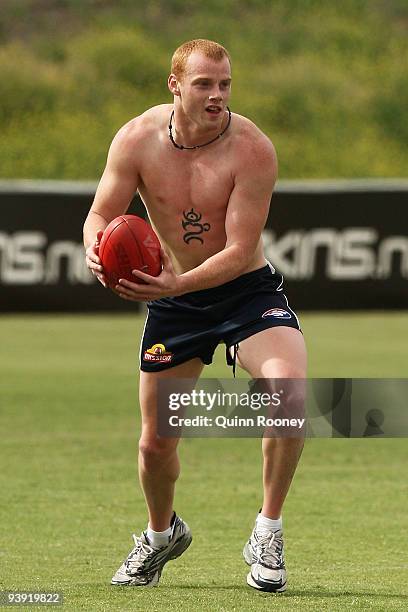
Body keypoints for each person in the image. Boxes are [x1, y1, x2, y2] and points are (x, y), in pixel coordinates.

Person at [83, 38, 306, 593]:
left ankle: (268, 529)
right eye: (205, 83)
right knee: (155, 443)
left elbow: (238, 248)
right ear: (175, 85)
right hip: (175, 303)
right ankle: (161, 535)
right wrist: (95, 249)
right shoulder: (136, 138)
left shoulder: (252, 148)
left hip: (245, 291)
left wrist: (177, 280)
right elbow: (100, 214)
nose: (217, 95)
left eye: (225, 83)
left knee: (290, 393)